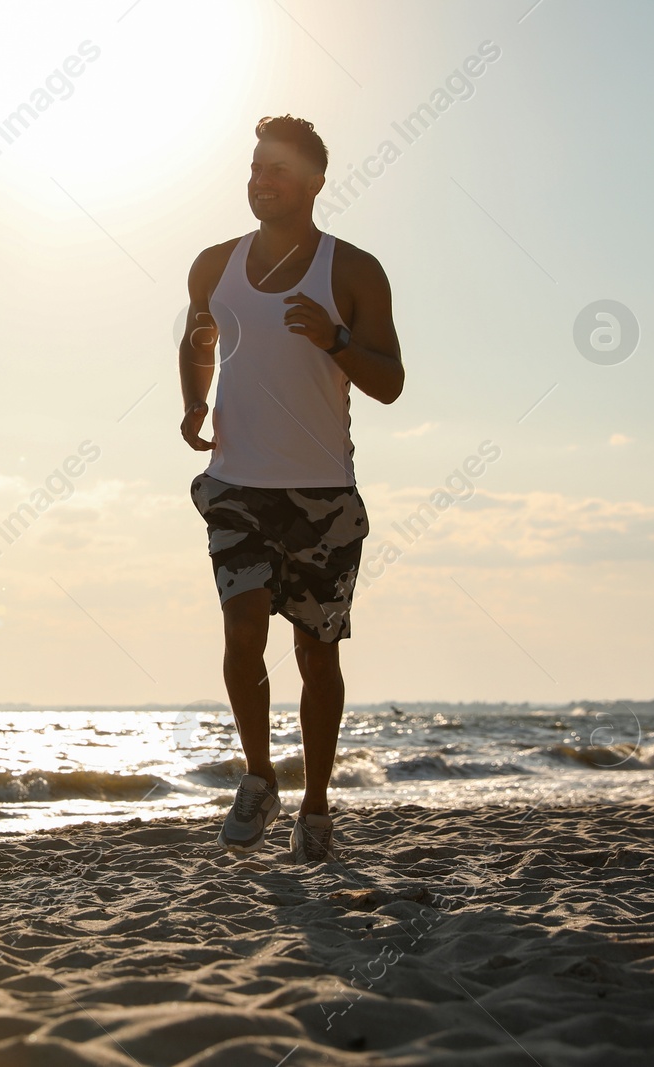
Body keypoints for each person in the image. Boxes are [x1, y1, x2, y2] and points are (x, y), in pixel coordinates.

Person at [179, 115, 403, 862]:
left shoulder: (353, 271)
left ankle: (316, 804)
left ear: (313, 182)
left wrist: (335, 339)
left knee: (316, 653)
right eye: (253, 167)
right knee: (243, 630)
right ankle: (258, 776)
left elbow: (391, 383)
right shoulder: (215, 263)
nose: (260, 180)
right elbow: (197, 335)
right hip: (236, 483)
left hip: (322, 495)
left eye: (276, 170)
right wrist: (193, 402)